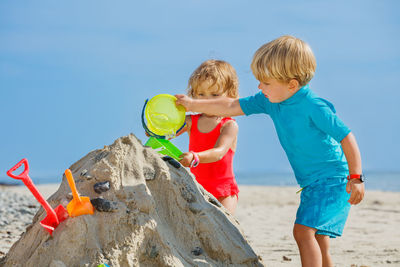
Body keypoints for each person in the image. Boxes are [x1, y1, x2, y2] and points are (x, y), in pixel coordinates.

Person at [176, 36, 365, 267]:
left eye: (265, 82)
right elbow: (230, 106)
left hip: (332, 180)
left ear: (292, 85)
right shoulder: (270, 100)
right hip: (311, 183)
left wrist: (356, 178)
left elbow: (346, 136)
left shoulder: (314, 107)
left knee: (303, 232)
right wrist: (193, 105)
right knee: (318, 238)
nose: (259, 87)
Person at [177, 59, 240, 214]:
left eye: (214, 94)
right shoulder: (191, 121)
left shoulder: (229, 125)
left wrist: (195, 157)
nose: (207, 100)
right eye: (201, 94)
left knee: (226, 227)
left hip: (224, 191)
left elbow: (218, 153)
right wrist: (156, 130)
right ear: (193, 95)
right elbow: (169, 131)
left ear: (230, 95)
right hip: (197, 188)